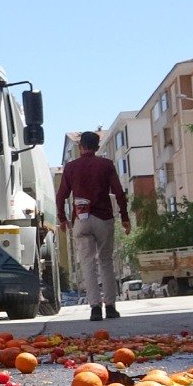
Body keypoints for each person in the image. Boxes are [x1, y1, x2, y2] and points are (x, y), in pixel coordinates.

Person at [56, 130, 131, 321]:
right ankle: (111, 307)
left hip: (81, 220)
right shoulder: (105, 165)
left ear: (80, 147)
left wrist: (62, 218)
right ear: (97, 148)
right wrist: (124, 217)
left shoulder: (71, 167)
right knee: (105, 262)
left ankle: (95, 309)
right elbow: (119, 192)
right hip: (103, 218)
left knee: (88, 263)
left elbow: (61, 195)